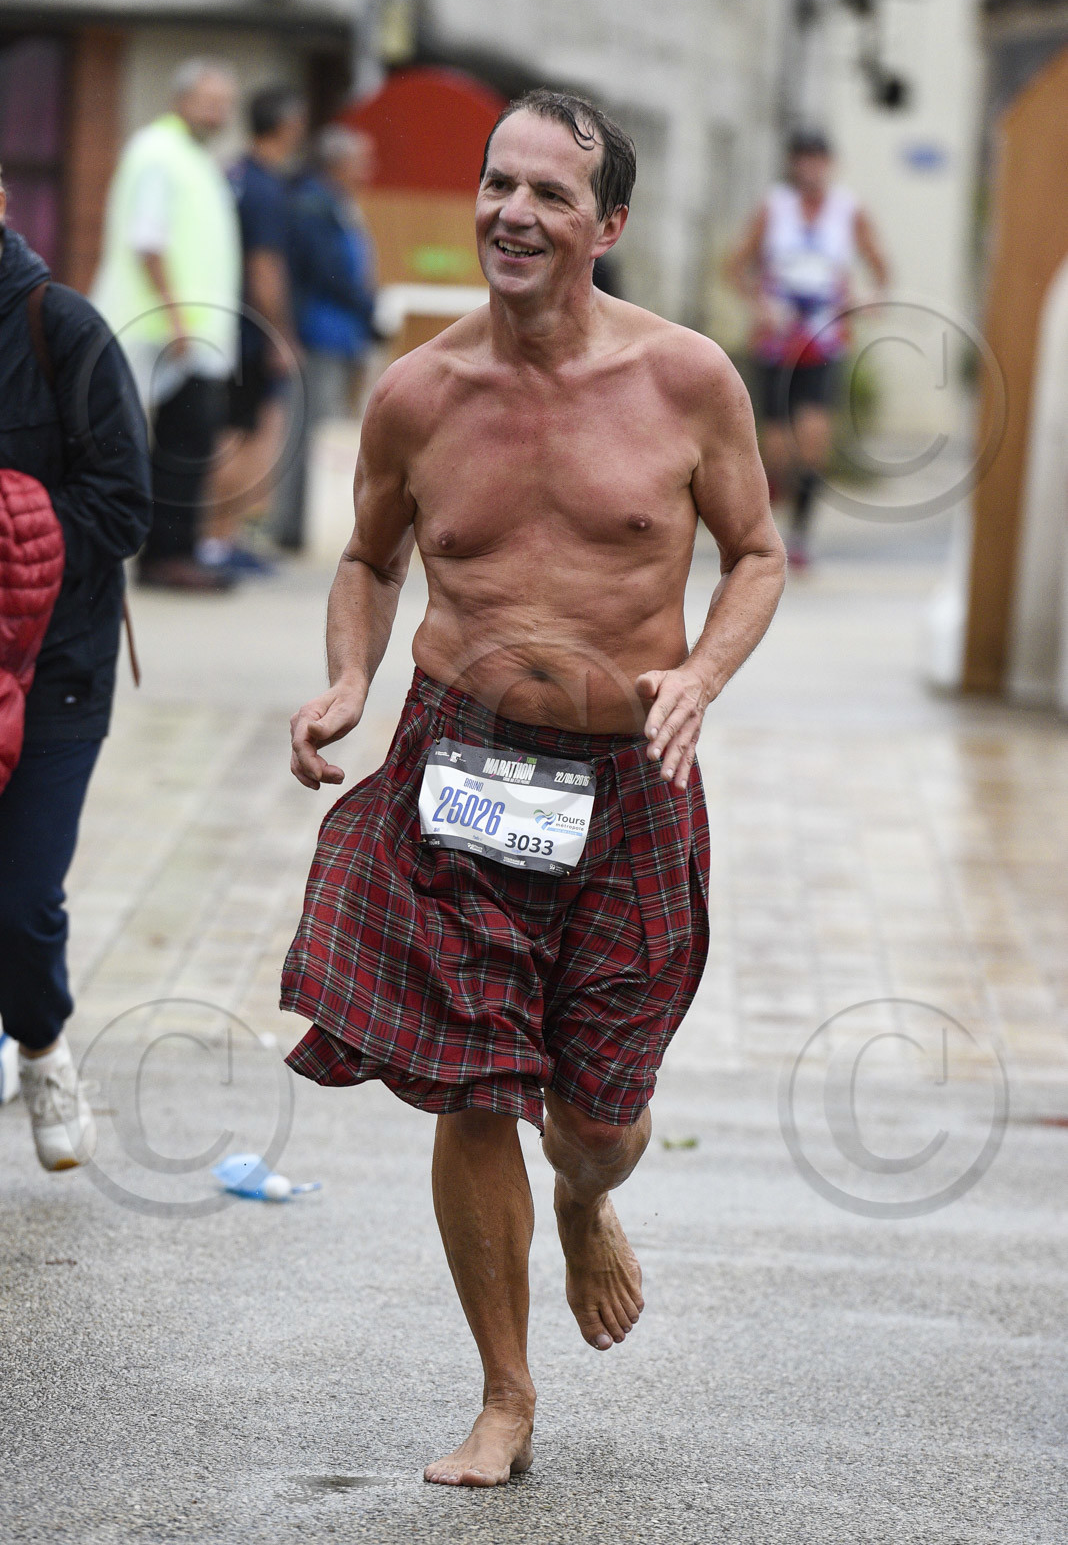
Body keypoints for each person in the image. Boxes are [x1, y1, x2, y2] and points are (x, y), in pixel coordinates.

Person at [283, 89, 786, 1487]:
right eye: (497, 183)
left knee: (603, 1115)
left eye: (549, 192)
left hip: (629, 777)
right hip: (461, 764)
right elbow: (370, 556)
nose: (511, 211)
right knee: (473, 1081)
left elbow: (756, 552)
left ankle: (583, 1197)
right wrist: (348, 676)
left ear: (605, 223)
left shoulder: (688, 380)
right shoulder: (421, 392)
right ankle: (505, 1394)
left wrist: (701, 677)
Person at [0, 168, 151, 1169]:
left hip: (56, 665)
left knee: (19, 898)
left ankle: (40, 1040)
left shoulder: (63, 328)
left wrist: (15, 524)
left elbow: (126, 504)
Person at [92, 58, 240, 591]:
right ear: (181, 99)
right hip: (159, 329)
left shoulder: (193, 158)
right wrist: (176, 318)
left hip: (189, 332)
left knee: (187, 445)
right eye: (209, 102)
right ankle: (162, 557)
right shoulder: (158, 152)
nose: (218, 113)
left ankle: (171, 552)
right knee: (166, 447)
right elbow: (147, 241)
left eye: (224, 104)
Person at [725, 129, 889, 566]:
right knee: (776, 446)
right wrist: (760, 304)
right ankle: (767, 529)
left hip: (823, 339)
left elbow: (880, 268)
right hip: (778, 340)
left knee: (814, 438)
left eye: (818, 159)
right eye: (803, 159)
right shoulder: (773, 207)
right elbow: (734, 267)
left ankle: (799, 536)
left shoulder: (848, 211)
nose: (810, 168)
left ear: (829, 164)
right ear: (793, 163)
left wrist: (865, 299)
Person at [199, 84, 307, 576]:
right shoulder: (266, 187)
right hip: (250, 333)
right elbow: (265, 267)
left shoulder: (233, 173)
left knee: (230, 434)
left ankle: (222, 538)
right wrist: (280, 334)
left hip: (224, 326)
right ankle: (217, 541)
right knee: (245, 437)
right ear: (287, 126)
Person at [279, 126, 378, 551]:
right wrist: (368, 309)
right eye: (362, 161)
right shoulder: (314, 205)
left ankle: (306, 522)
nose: (369, 169)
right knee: (310, 430)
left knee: (322, 430)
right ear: (338, 164)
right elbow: (329, 271)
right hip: (320, 335)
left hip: (341, 336)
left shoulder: (337, 204)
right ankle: (293, 527)